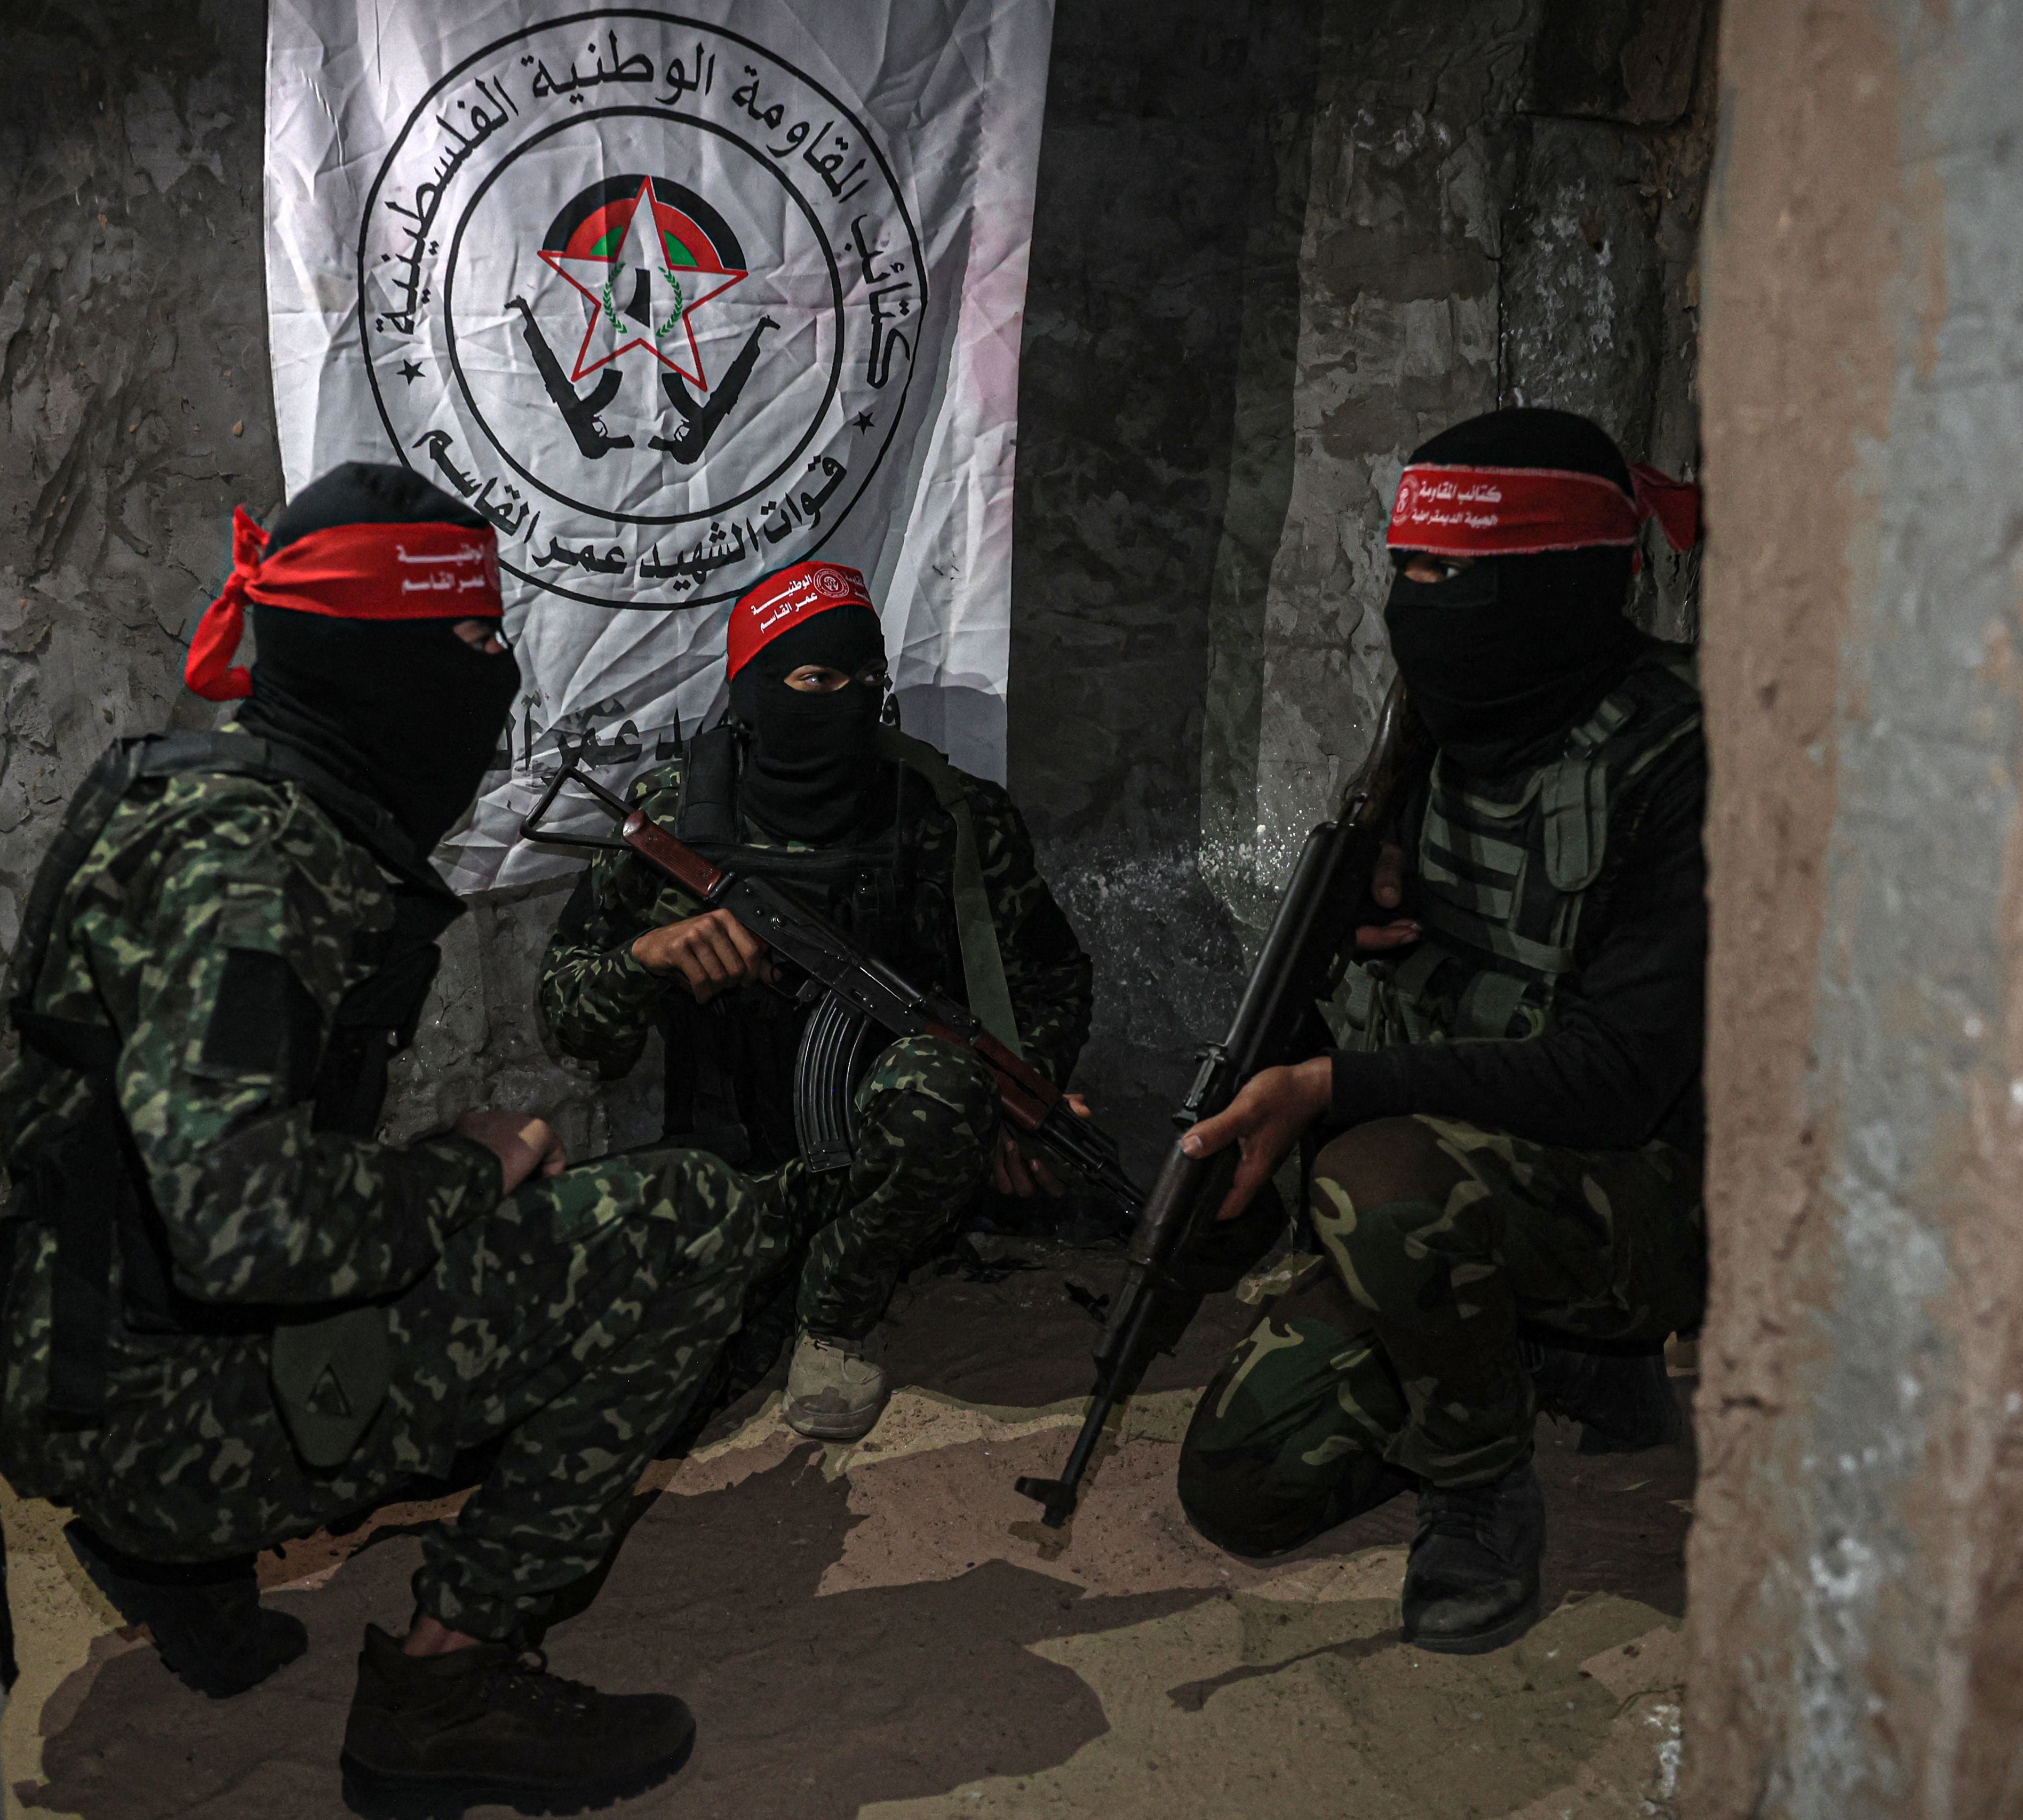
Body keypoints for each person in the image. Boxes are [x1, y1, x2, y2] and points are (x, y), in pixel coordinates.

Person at [0, 462, 781, 1820]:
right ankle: (447, 1680)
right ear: (379, 660)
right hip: (153, 1411)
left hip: (72, 1348)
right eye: (474, 642)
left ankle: (175, 1566)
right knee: (692, 1217)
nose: (499, 672)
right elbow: (245, 1228)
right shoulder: (255, 865)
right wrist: (476, 1165)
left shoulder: (207, 798)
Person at [1168, 408, 1709, 1655]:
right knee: (1243, 1485)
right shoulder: (1440, 718)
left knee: (1381, 1177)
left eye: (1456, 579)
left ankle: (1479, 1488)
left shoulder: (1685, 749)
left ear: (1569, 583)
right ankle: (1551, 1353)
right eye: (1406, 573)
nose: (1422, 608)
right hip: (1475, 1173)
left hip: (1656, 1197)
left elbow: (1621, 1077)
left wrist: (1335, 1080)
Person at [538, 561, 1093, 1441]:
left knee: (944, 1086)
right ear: (754, 689)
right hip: (729, 1171)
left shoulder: (949, 815)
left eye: (866, 680)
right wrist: (643, 962)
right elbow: (568, 1019)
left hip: (895, 1170)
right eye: (816, 679)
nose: (848, 700)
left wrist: (1020, 1098)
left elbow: (1050, 976)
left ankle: (835, 1316)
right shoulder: (675, 819)